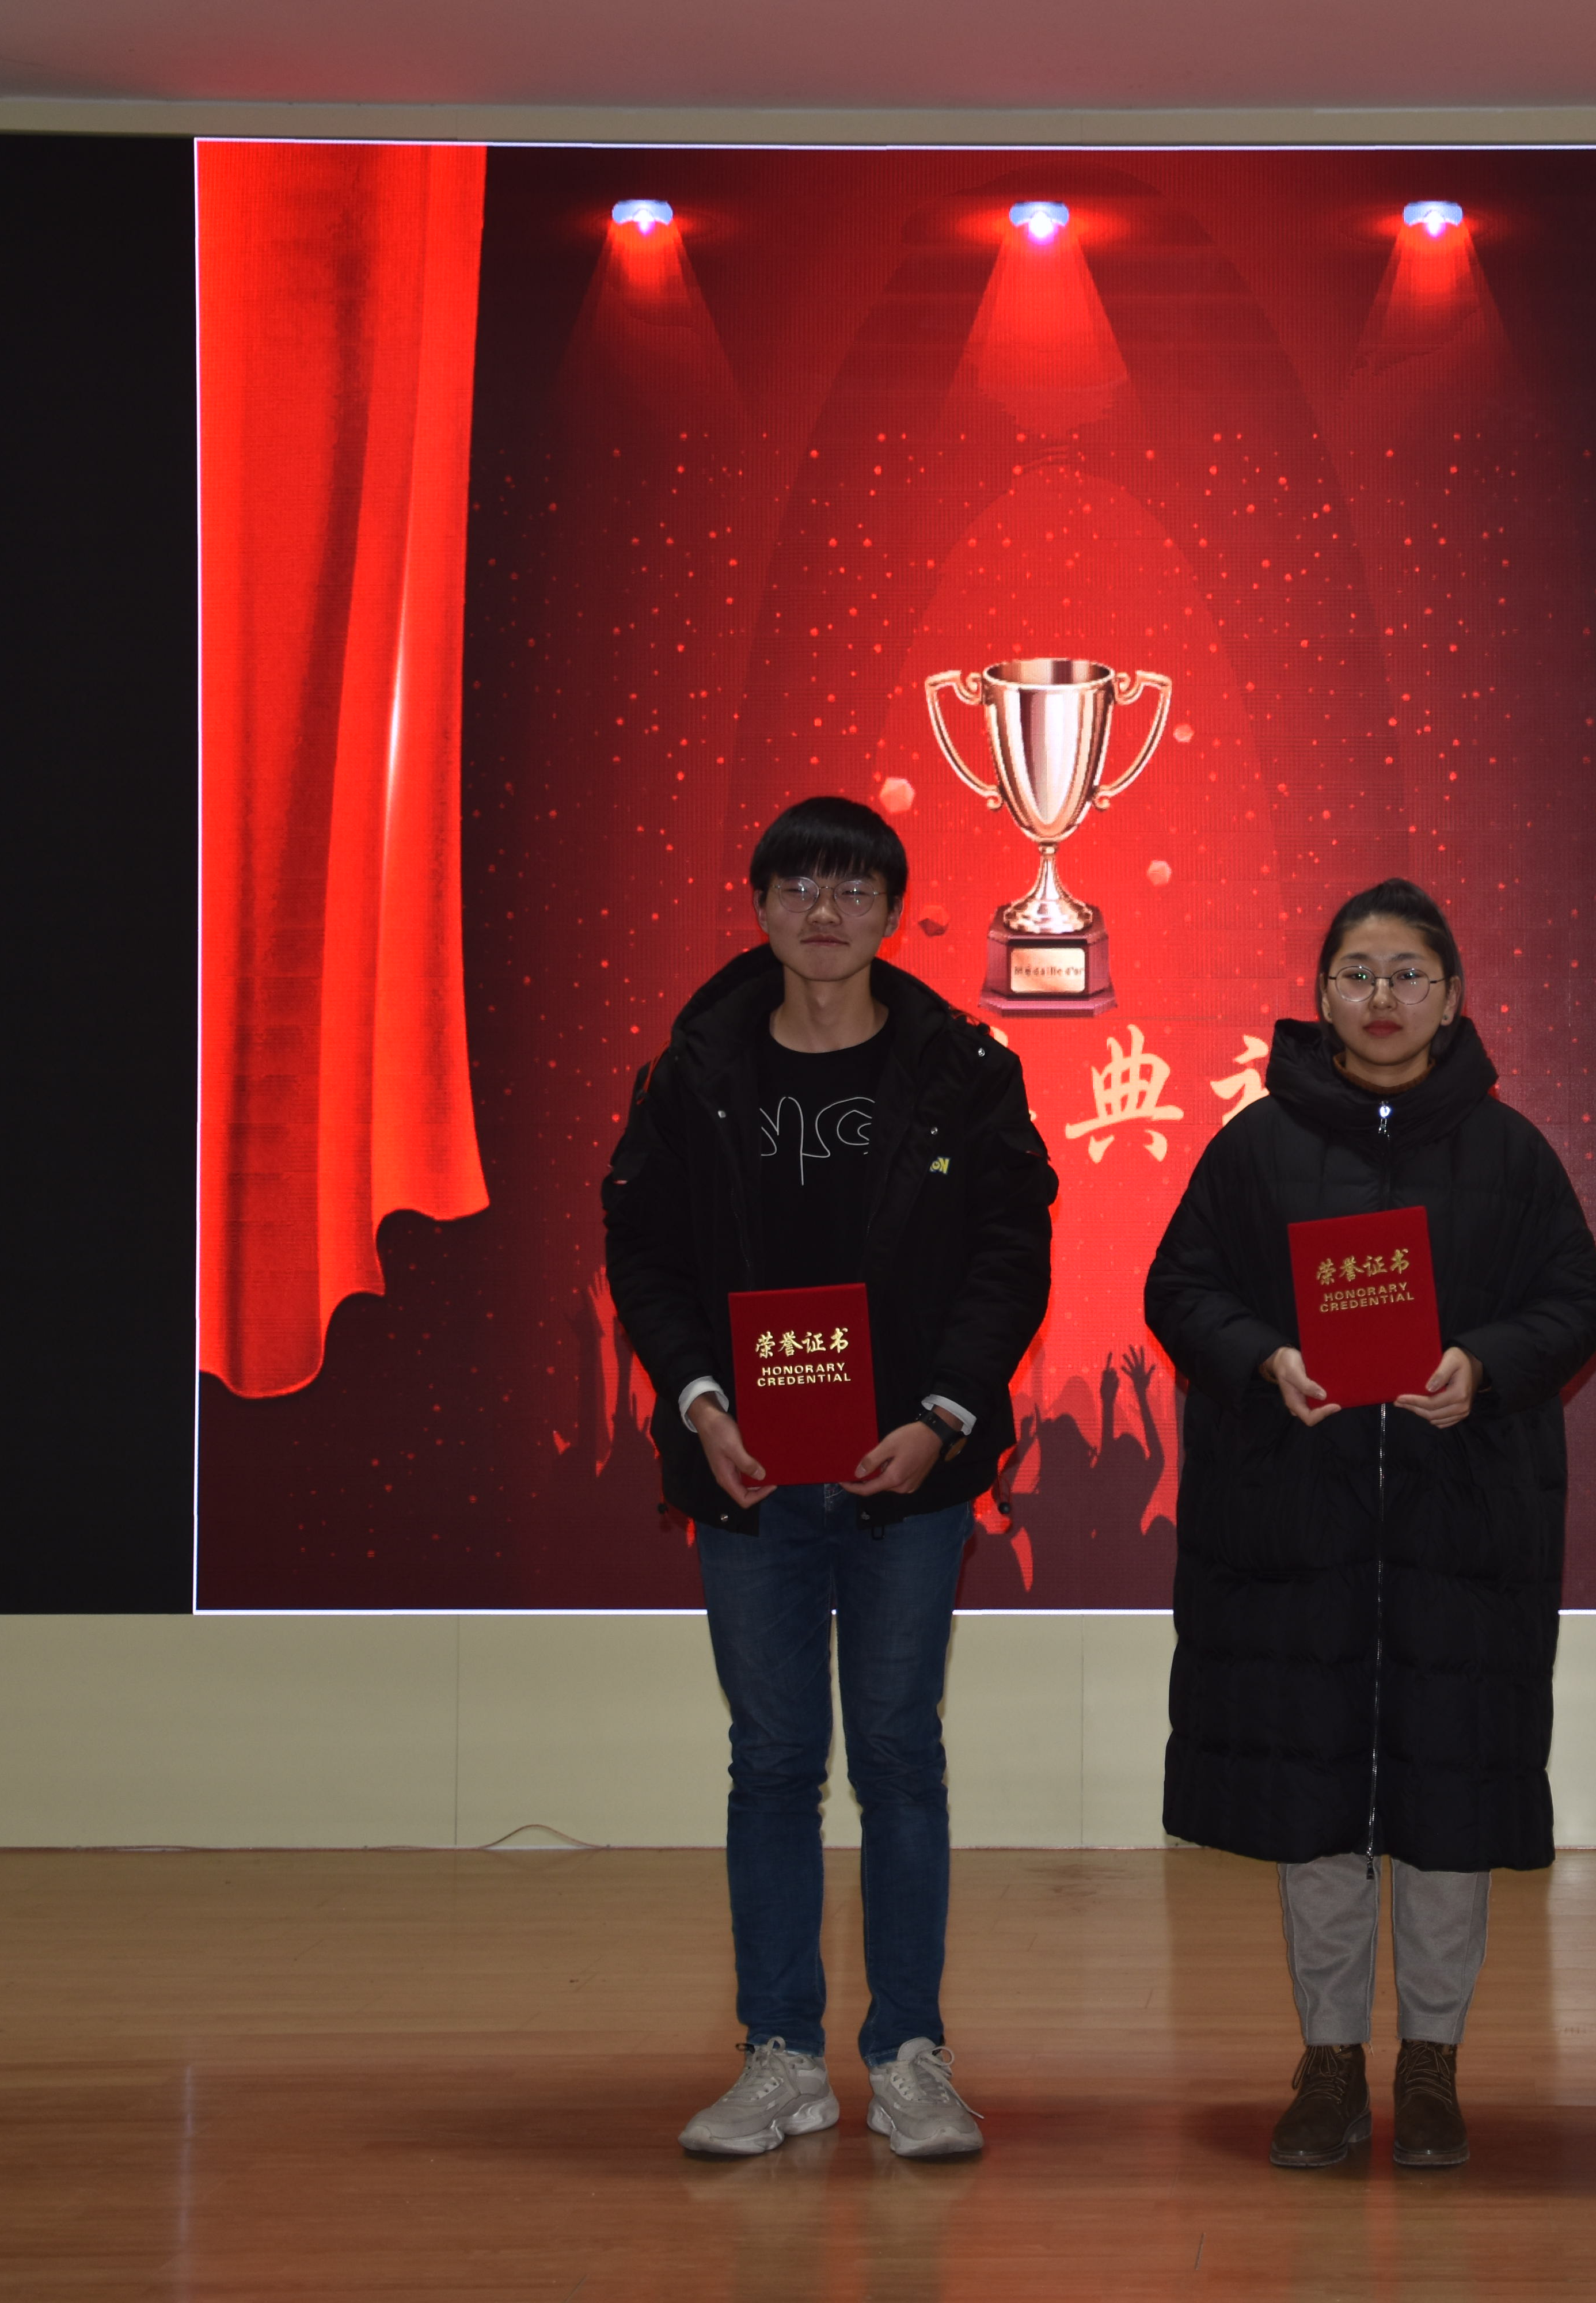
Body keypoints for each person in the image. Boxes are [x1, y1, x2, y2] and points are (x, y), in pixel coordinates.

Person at [602, 796, 1058, 2160]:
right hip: (748, 1477)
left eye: (852, 888)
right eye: (797, 884)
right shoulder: (693, 1070)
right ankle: (783, 2056)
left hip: (905, 1474)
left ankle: (910, 2052)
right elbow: (645, 1253)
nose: (823, 910)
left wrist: (942, 1414)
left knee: (901, 1757)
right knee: (773, 1762)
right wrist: (699, 1401)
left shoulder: (960, 1069)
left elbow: (1011, 1252)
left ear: (892, 912)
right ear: (758, 907)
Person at [1144, 878, 1596, 2172]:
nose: (1383, 995)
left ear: (1452, 997)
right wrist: (1265, 1358)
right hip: (1304, 1530)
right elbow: (1180, 1286)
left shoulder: (1511, 1153)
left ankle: (1435, 2061)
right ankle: (1332, 2059)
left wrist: (1485, 1365)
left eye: (1410, 973)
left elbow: (1575, 1301)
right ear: (1322, 994)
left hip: (1464, 1531)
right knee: (1319, 1811)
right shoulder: (1255, 1147)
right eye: (1359, 972)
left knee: (1450, 1808)